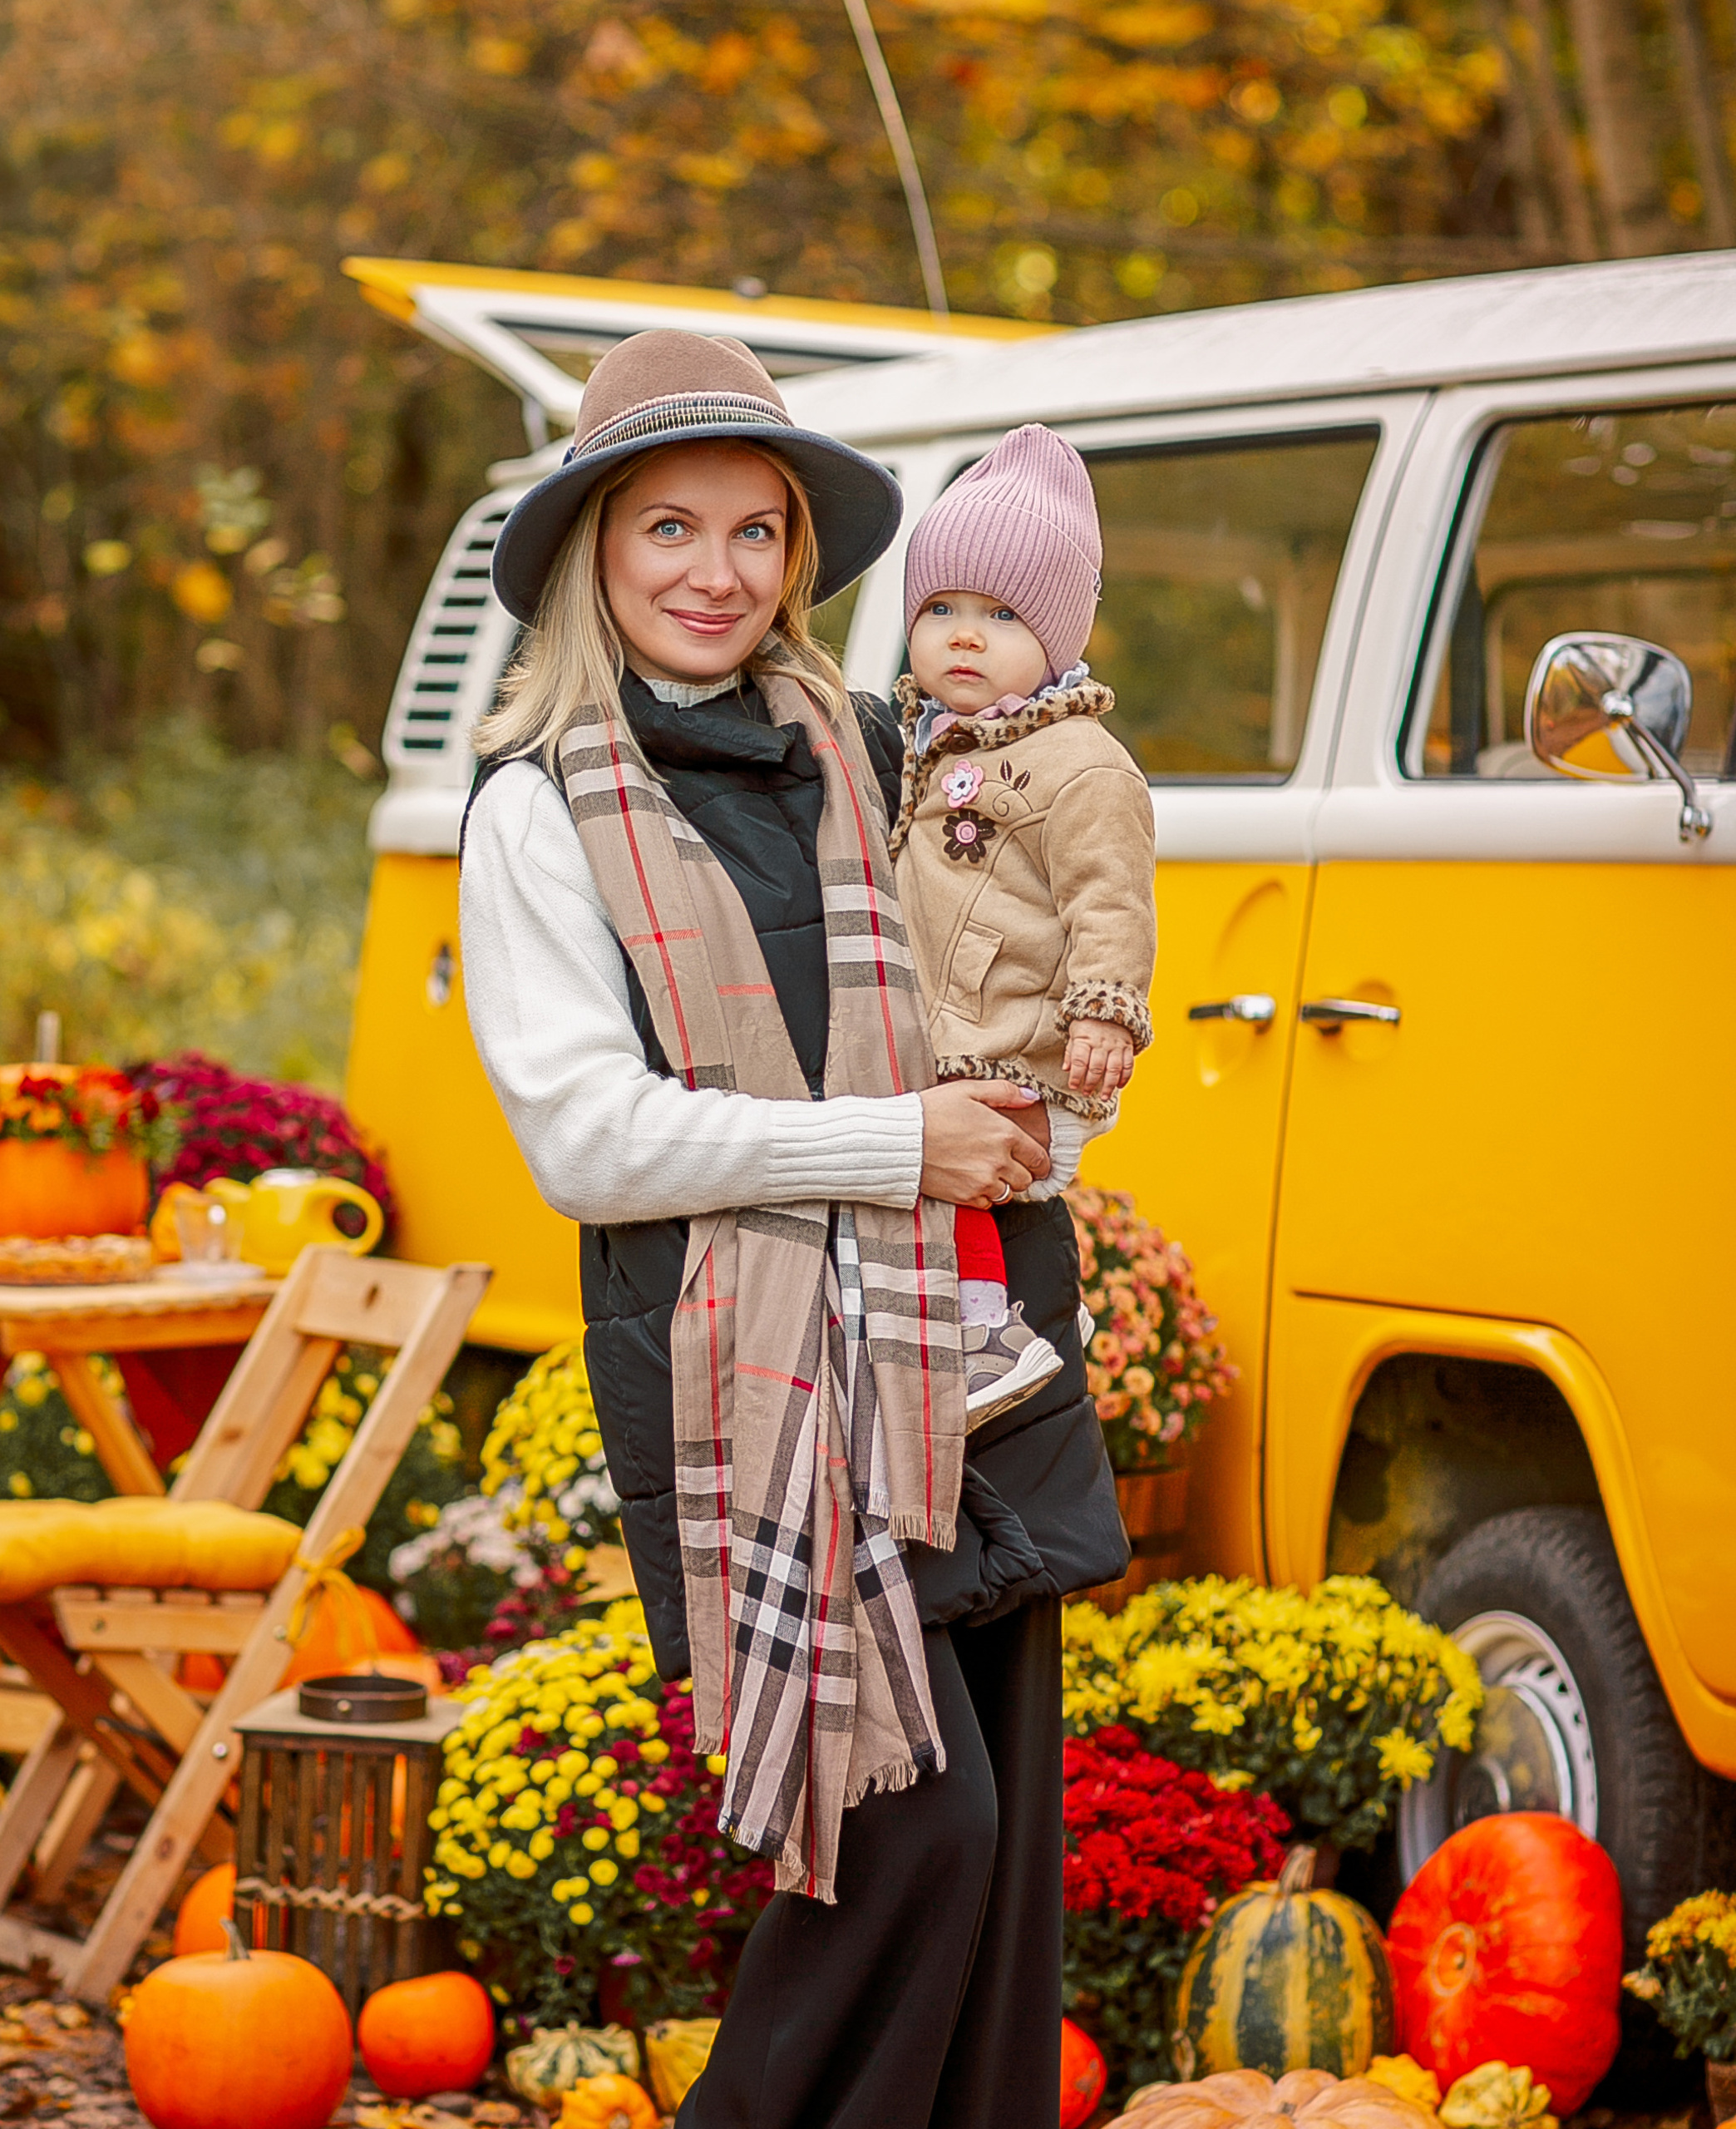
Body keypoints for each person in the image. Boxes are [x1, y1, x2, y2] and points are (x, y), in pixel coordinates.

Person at [459, 328, 1125, 2129]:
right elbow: (591, 1139)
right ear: (596, 546)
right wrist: (894, 1142)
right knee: (906, 1840)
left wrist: (1064, 1066)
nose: (715, 571)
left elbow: (1013, 975)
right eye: (668, 527)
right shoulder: (540, 807)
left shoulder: (888, 744)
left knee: (994, 1883)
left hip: (963, 1351)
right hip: (752, 1386)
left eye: (755, 531)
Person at [889, 424, 1157, 1427]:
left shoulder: (1078, 762)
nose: (964, 634)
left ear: (1058, 637)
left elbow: (1111, 898)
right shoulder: (925, 737)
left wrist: (1104, 1011)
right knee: (942, 1169)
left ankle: (986, 1336)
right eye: (941, 608)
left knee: (958, 1171)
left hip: (1009, 1027)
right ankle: (1022, 1314)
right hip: (950, 1014)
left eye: (1000, 614)